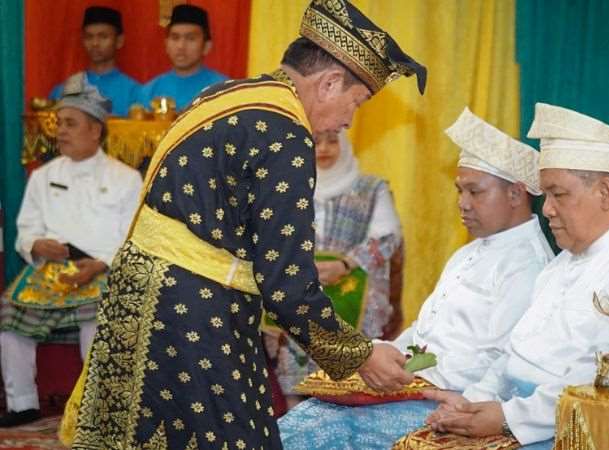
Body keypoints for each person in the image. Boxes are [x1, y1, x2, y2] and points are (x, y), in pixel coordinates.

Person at [70, 1, 427, 448]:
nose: (346, 121)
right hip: (192, 308)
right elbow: (286, 282)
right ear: (330, 82)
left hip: (141, 291)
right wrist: (357, 355)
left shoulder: (228, 95)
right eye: (355, 103)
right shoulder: (286, 132)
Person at [278, 107, 554, 449]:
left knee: (320, 432)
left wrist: (415, 377)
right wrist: (387, 352)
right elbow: (423, 332)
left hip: (447, 400)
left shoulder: (529, 266)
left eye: (475, 192)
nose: (462, 204)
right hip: (412, 387)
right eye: (459, 191)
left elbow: (502, 363)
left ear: (515, 193)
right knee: (297, 423)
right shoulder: (468, 253)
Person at [424, 103, 609, 450]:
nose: (547, 209)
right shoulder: (563, 263)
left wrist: (508, 418)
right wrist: (472, 403)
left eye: (558, 194)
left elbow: (602, 381)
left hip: (583, 432)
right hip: (520, 417)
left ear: (604, 192)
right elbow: (513, 354)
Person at [0, 77, 142, 427]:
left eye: (70, 123)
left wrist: (100, 263)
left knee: (97, 323)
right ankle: (23, 405)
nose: (60, 131)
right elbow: (26, 229)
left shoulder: (126, 178)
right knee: (9, 323)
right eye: (58, 123)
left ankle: (97, 411)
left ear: (95, 130)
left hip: (102, 271)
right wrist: (35, 244)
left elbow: (132, 237)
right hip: (51, 272)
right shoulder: (43, 176)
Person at [264, 129, 403, 403]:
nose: (324, 148)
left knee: (350, 387)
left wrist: (345, 263)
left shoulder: (371, 188)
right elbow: (272, 237)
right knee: (295, 362)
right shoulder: (289, 188)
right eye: (316, 142)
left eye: (332, 141)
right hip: (299, 286)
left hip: (353, 284)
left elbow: (386, 237)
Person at [49, 6, 140, 117]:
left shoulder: (135, 93)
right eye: (89, 37)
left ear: (119, 41)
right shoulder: (63, 91)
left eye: (103, 37)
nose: (95, 43)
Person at [137, 4, 227, 112]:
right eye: (175, 38)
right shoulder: (149, 91)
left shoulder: (223, 90)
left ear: (206, 46)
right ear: (166, 44)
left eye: (190, 38)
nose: (181, 46)